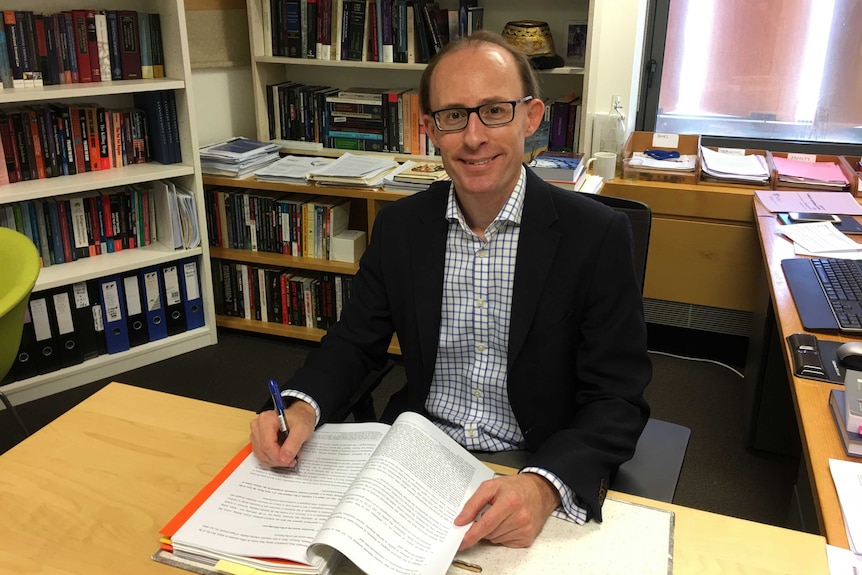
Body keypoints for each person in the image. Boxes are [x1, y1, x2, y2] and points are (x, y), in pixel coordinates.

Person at [250, 29, 651, 550]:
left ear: (531, 118)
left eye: (495, 111)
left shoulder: (594, 236)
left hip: (533, 463)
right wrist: (301, 406)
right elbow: (353, 344)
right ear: (431, 128)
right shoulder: (401, 228)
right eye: (454, 116)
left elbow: (617, 398)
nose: (474, 136)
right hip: (416, 454)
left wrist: (544, 487)